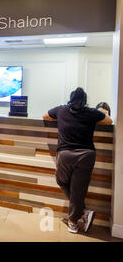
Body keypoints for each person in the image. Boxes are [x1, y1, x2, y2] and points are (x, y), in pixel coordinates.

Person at [43, 87, 113, 234]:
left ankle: (76, 218)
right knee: (78, 190)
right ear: (85, 101)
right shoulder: (92, 113)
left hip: (65, 154)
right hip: (86, 155)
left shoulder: (61, 110)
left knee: (62, 181)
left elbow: (46, 116)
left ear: (70, 99)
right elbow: (108, 121)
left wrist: (59, 117)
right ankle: (77, 218)